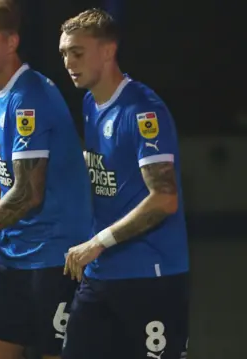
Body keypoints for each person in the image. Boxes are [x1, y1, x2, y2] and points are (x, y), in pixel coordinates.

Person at [0, 1, 93, 359]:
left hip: (55, 261)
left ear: (11, 41)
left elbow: (28, 193)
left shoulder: (29, 96)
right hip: (13, 259)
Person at [59, 9, 190, 359]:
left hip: (151, 276)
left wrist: (98, 242)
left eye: (78, 52)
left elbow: (164, 200)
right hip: (101, 276)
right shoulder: (90, 102)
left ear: (107, 51)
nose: (69, 61)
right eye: (64, 53)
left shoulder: (143, 112)